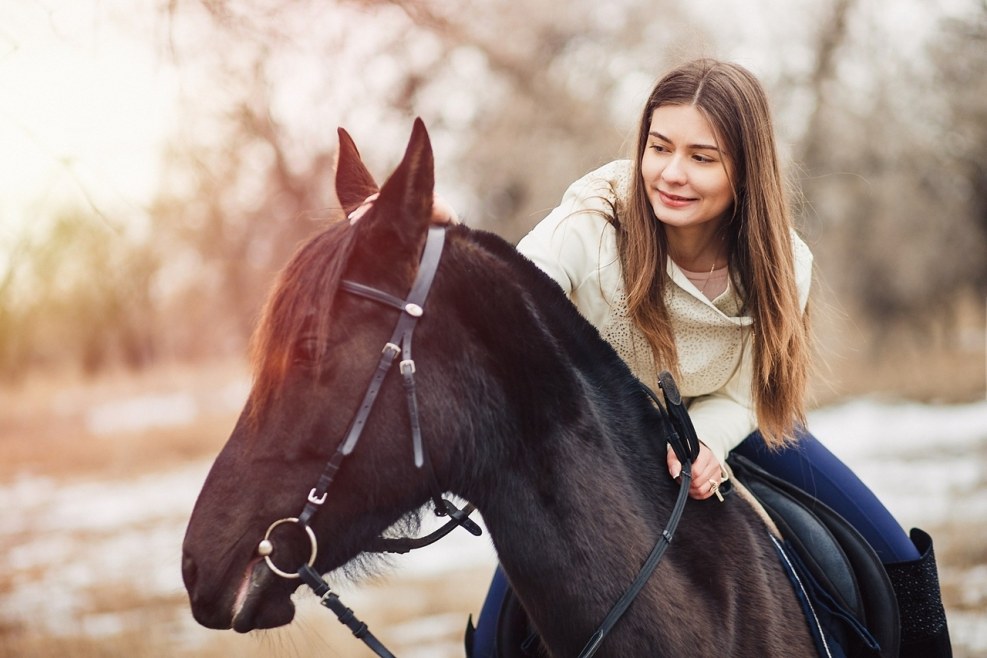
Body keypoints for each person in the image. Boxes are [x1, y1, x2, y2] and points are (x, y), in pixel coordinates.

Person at [348, 58, 951, 657]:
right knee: (493, 645)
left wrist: (709, 443)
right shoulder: (592, 223)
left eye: (702, 157)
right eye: (659, 148)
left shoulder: (783, 263)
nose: (672, 174)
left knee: (898, 564)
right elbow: (510, 293)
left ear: (746, 170)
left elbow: (747, 392)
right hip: (598, 440)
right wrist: (450, 233)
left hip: (733, 431)